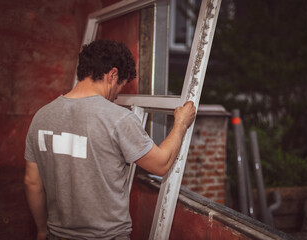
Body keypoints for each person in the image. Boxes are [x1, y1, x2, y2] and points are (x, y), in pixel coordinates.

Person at [24, 40, 196, 240]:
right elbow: (161, 164)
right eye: (120, 86)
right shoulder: (119, 119)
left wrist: (42, 230)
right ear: (112, 75)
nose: (116, 96)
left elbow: (32, 183)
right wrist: (181, 124)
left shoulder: (42, 116)